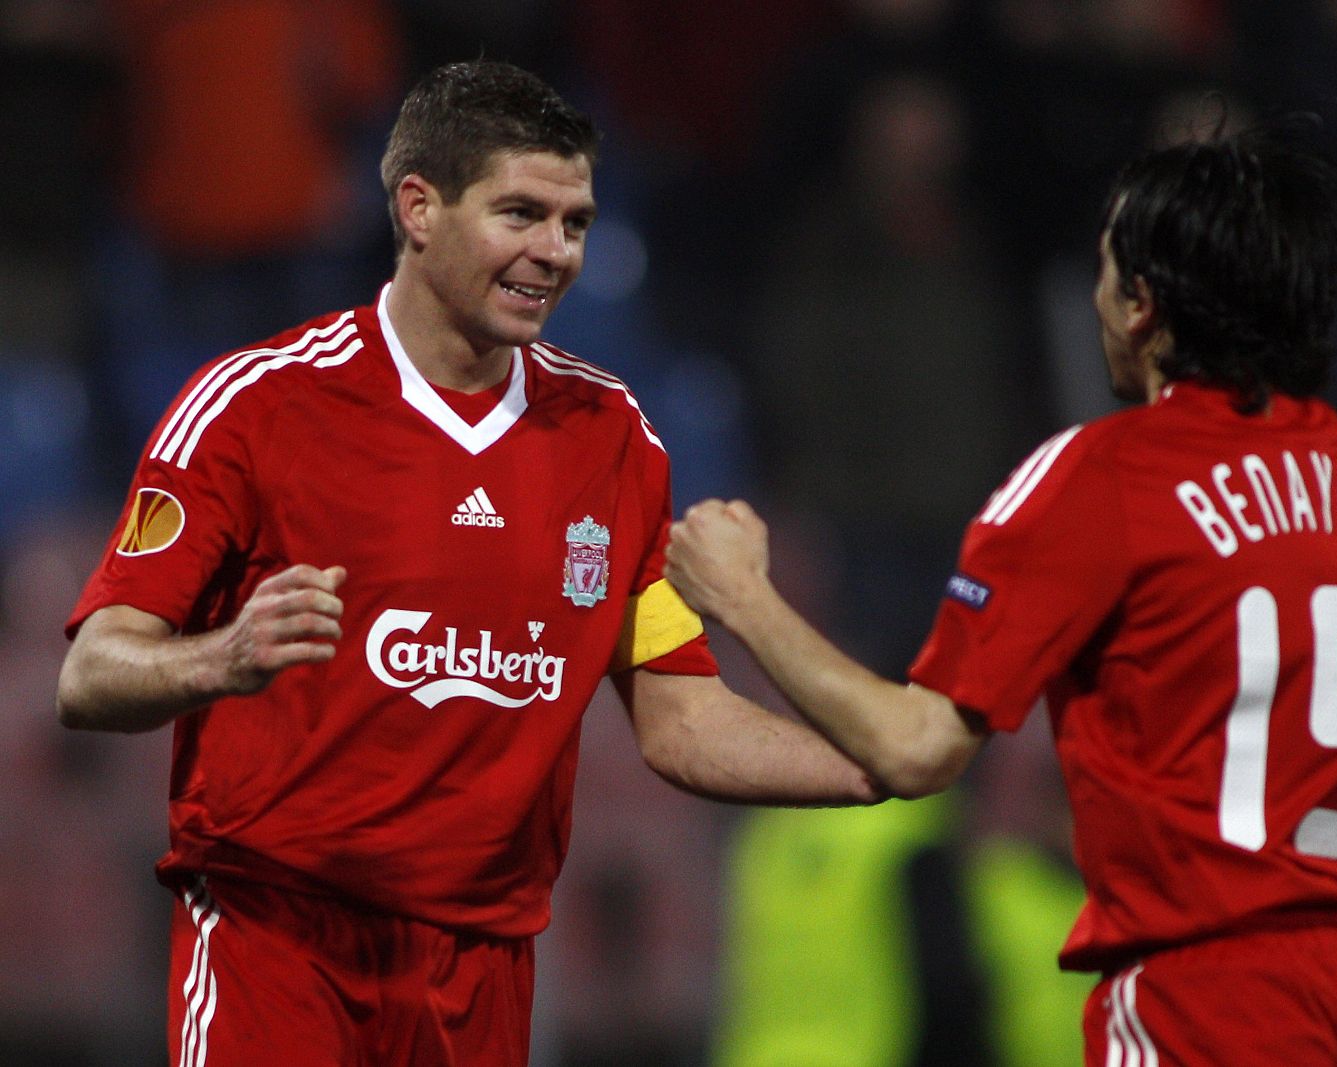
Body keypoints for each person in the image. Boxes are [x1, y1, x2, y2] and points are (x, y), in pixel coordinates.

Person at [664, 119, 1337, 1066]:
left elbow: (917, 748)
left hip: (1197, 995)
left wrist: (745, 598)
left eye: (1103, 270)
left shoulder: (1101, 479)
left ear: (1143, 304)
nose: (1093, 300)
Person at [55, 60, 879, 1067]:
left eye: (574, 221)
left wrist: (874, 758)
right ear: (418, 208)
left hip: (481, 972)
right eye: (521, 213)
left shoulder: (613, 438)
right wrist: (223, 656)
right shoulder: (253, 406)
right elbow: (94, 670)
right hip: (280, 942)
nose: (555, 251)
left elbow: (682, 716)